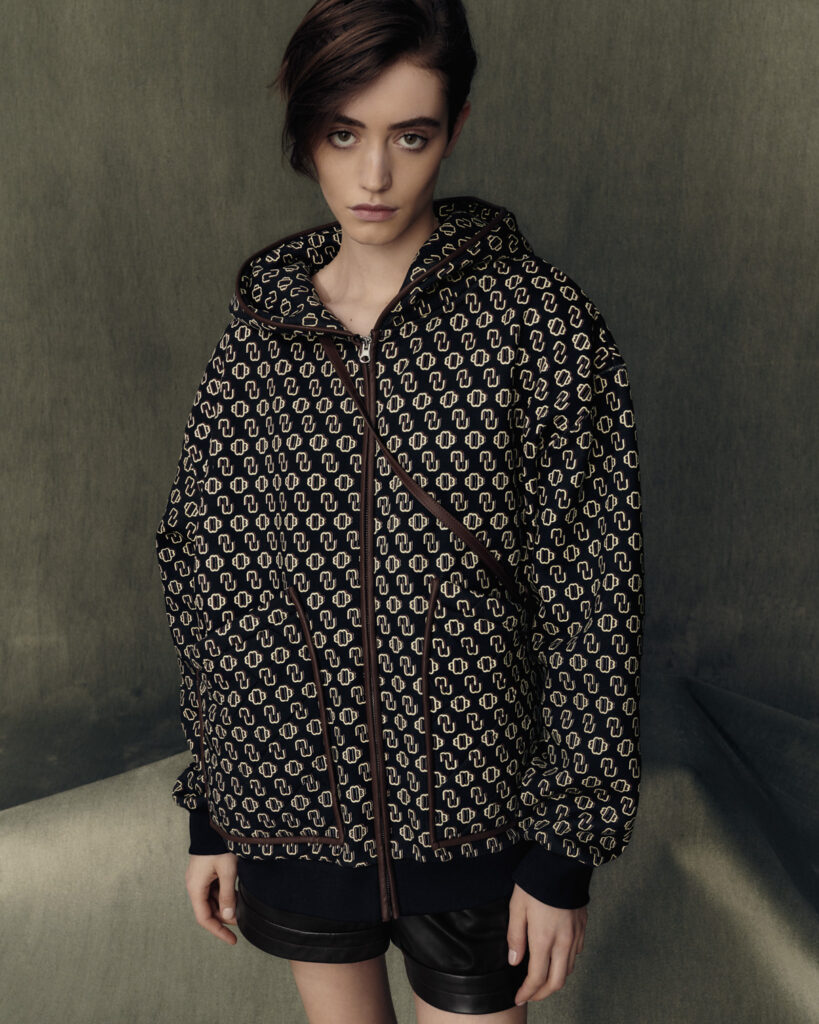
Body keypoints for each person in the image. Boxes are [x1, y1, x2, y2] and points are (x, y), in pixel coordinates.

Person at [154, 0, 644, 1020]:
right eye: (344, 135)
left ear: (455, 128)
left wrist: (565, 849)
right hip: (291, 814)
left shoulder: (541, 323)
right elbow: (211, 581)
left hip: (481, 826)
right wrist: (215, 806)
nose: (373, 176)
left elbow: (596, 590)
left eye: (409, 136)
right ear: (305, 131)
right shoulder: (260, 340)